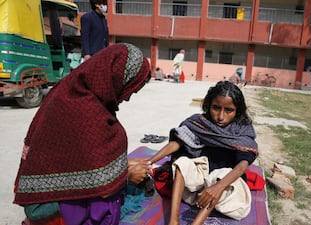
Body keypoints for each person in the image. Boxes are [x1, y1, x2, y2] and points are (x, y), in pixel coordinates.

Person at [13, 43, 152, 224]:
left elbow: (79, 159)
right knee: (110, 200)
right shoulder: (87, 112)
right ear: (117, 78)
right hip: (50, 210)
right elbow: (101, 185)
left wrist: (122, 166)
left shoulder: (72, 90)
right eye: (130, 89)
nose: (127, 97)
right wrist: (126, 176)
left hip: (44, 196)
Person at [148, 81, 258, 225]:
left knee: (221, 175)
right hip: (199, 186)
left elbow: (242, 166)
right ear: (208, 105)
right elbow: (178, 142)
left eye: (228, 110)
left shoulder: (242, 130)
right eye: (216, 108)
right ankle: (173, 221)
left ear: (237, 110)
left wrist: (217, 188)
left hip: (226, 186)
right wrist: (149, 161)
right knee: (182, 162)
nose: (220, 116)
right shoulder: (200, 123)